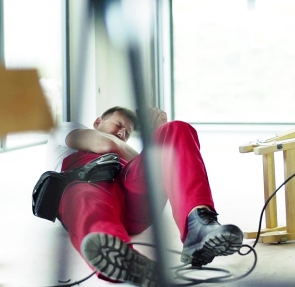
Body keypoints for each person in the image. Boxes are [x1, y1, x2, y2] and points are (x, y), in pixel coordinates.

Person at [45, 106, 243, 286]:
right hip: (89, 188)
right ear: (98, 122)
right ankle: (123, 257)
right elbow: (103, 144)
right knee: (82, 193)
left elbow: (154, 156)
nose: (122, 133)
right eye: (119, 125)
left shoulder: (123, 152)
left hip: (131, 197)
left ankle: (198, 225)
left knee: (175, 129)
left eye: (128, 133)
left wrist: (157, 136)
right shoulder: (66, 129)